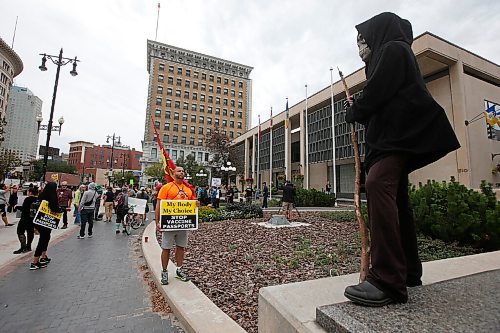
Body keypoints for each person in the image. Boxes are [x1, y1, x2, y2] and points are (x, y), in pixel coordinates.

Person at [343, 12, 460, 307]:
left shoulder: (393, 49)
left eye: (362, 38)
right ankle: (408, 271)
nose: (360, 46)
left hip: (398, 139)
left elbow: (377, 94)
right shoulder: (387, 55)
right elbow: (381, 96)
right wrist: (360, 105)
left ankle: (387, 280)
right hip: (394, 139)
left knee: (377, 183)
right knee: (397, 200)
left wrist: (355, 109)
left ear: (378, 32)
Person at [155, 166, 199, 285]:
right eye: (179, 171)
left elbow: (192, 204)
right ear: (173, 174)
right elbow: (159, 205)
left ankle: (179, 270)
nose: (182, 172)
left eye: (183, 171)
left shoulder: (188, 189)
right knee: (166, 248)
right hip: (169, 224)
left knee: (181, 247)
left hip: (183, 225)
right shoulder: (166, 188)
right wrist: (157, 222)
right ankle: (164, 272)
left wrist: (196, 204)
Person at [30, 182, 63, 270]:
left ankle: (43, 256)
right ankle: (35, 261)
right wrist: (60, 210)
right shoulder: (52, 196)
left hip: (40, 220)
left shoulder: (42, 195)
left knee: (45, 237)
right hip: (46, 222)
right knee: (43, 239)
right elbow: (54, 208)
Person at [13, 187, 38, 254]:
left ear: (30, 192)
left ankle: (23, 247)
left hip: (25, 218)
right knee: (30, 232)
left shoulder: (27, 199)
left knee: (20, 231)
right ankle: (28, 246)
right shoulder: (37, 199)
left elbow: (25, 209)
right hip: (32, 218)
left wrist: (17, 206)